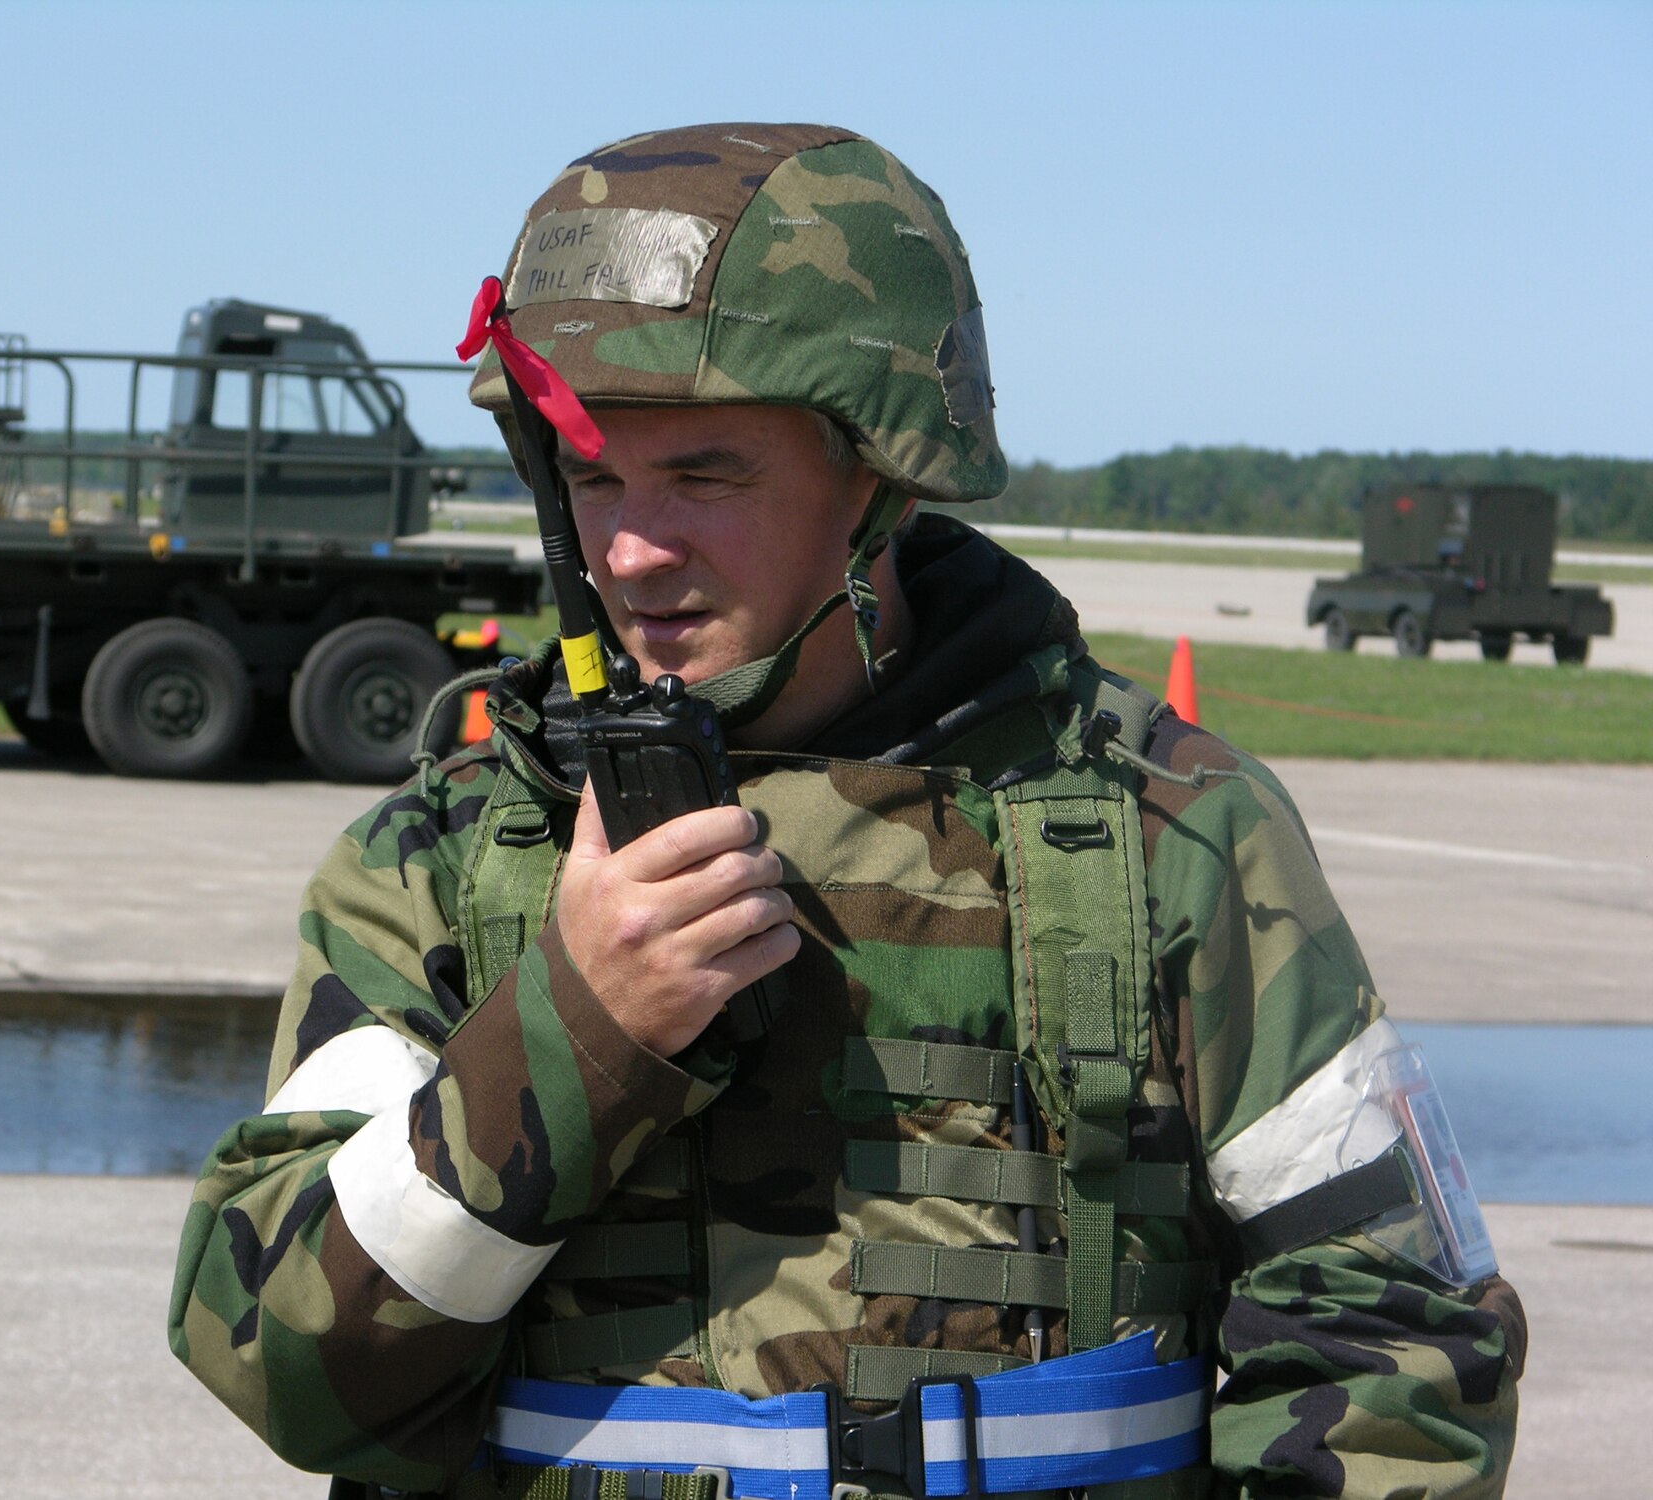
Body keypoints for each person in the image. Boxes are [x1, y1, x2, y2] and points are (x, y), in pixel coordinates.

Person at [171, 122, 1524, 1500]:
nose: (632, 550)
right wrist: (576, 1034)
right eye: (592, 479)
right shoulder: (450, 856)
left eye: (706, 475)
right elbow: (284, 1369)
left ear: (877, 477)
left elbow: (1398, 1351)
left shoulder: (1162, 830)